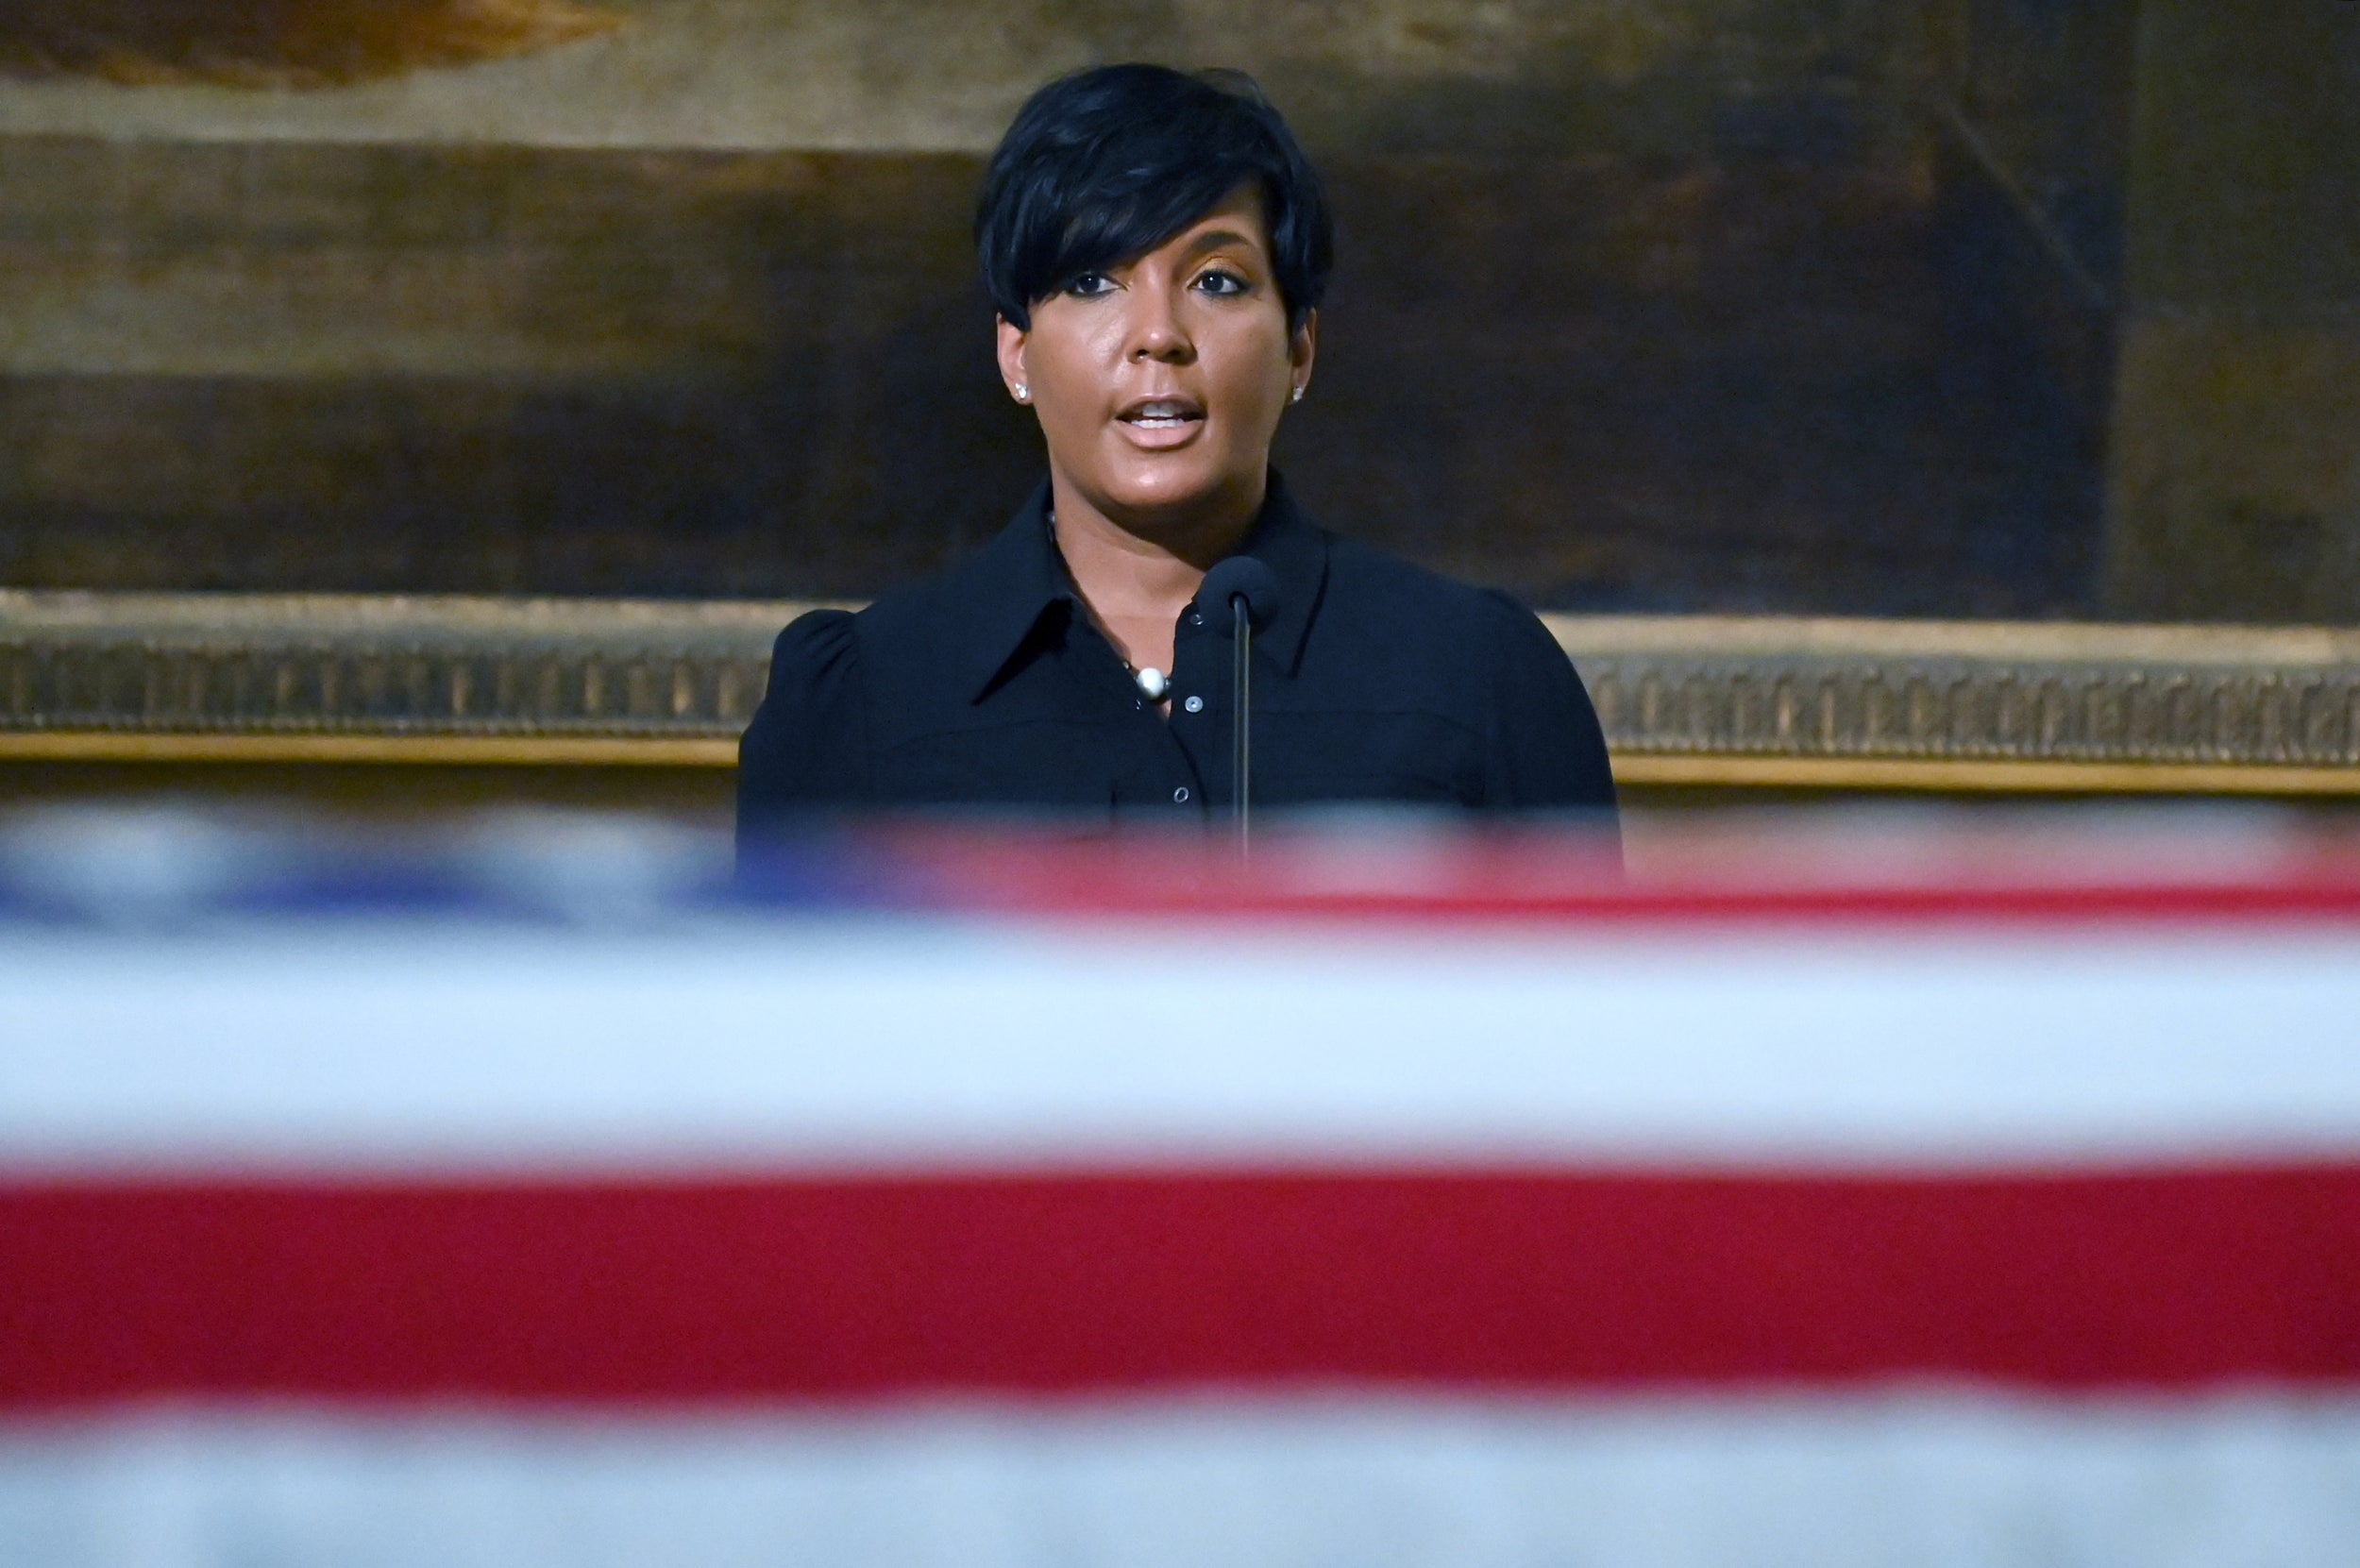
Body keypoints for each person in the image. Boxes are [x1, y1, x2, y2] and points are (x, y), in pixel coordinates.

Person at [738, 64, 1616, 835]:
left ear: (1299, 348)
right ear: (1016, 353)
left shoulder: (1478, 676)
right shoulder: (862, 694)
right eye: (1093, 282)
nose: (1157, 335)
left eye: (1216, 281)